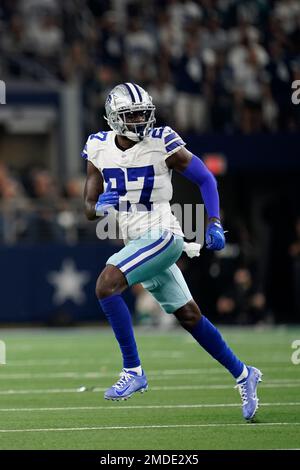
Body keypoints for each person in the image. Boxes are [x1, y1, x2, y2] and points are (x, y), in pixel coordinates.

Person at [82, 82, 262, 420]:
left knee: (107, 284)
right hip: (135, 241)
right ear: (113, 117)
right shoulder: (97, 146)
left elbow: (206, 178)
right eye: (130, 114)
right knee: (189, 315)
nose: (139, 119)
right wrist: (99, 206)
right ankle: (244, 373)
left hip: (163, 234)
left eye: (142, 112)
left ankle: (133, 372)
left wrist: (213, 222)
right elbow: (89, 207)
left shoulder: (162, 141)